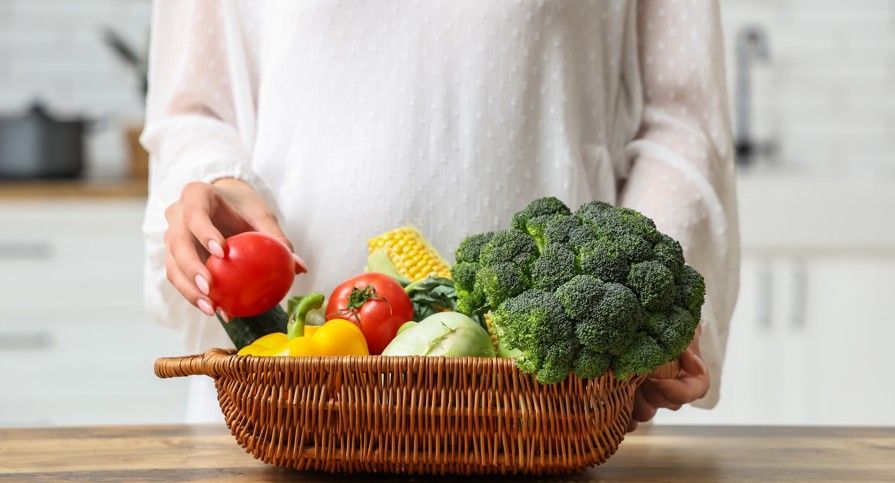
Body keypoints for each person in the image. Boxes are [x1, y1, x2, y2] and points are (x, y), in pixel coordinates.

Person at [142, 0, 739, 427]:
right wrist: (218, 181)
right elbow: (192, 107)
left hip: (550, 405)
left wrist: (633, 317)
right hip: (287, 392)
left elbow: (683, 121)